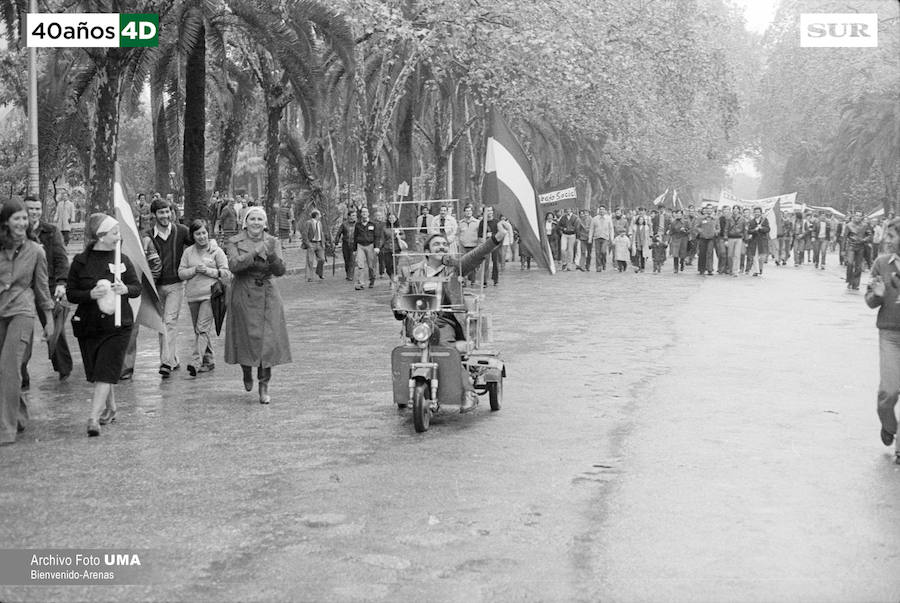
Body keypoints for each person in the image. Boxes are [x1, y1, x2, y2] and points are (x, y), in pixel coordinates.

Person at [392, 228, 507, 413]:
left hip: (444, 321)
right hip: (419, 321)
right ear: (427, 250)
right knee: (409, 349)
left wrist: (495, 239)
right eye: (437, 244)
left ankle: (468, 393)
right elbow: (400, 293)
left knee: (445, 348)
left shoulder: (455, 268)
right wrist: (398, 307)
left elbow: (476, 255)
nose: (442, 247)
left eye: (445, 245)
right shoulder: (412, 272)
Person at [66, 213, 141, 437]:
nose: (119, 236)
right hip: (89, 325)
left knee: (106, 368)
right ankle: (111, 407)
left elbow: (136, 287)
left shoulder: (123, 259)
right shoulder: (81, 261)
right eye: (114, 232)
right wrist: (90, 293)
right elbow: (71, 293)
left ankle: (92, 418)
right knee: (99, 370)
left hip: (118, 325)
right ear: (101, 235)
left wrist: (125, 289)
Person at [224, 207, 292, 404]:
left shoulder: (273, 241)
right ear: (245, 222)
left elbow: (280, 271)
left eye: (260, 219)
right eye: (252, 218)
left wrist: (271, 256)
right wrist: (254, 251)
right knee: (246, 339)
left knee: (267, 342)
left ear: (265, 222)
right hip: (243, 293)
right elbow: (234, 266)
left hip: (268, 294)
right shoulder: (234, 241)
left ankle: (264, 385)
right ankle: (246, 371)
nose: (256, 222)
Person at [0, 200, 54, 445]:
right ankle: (19, 414)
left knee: (9, 367)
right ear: (6, 223)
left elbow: (42, 288)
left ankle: (6, 429)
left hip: (23, 311)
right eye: (17, 219)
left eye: (25, 218)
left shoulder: (36, 251)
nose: (23, 222)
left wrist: (49, 320)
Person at [21, 195, 71, 382]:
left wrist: (61, 283)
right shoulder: (15, 232)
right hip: (22, 288)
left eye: (37, 208)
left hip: (48, 286)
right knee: (22, 332)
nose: (34, 212)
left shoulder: (51, 231)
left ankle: (64, 369)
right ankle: (21, 375)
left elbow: (61, 259)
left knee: (54, 329)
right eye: (30, 208)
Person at [864, 218, 900, 464]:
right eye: (887, 235)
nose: (886, 240)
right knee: (889, 391)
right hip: (890, 334)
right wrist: (876, 296)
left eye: (892, 235)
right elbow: (870, 301)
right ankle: (888, 424)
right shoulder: (881, 263)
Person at [178, 219, 230, 377]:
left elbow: (227, 273)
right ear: (193, 236)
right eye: (198, 234)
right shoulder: (188, 252)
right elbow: (181, 273)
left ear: (208, 233)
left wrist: (208, 271)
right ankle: (209, 360)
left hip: (211, 296)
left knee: (202, 328)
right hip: (193, 296)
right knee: (200, 330)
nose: (201, 236)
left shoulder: (216, 251)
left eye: (204, 233)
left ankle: (195, 362)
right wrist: (195, 270)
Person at [149, 197, 191, 377]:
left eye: (168, 212)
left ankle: (165, 363)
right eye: (161, 212)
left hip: (176, 284)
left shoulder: (182, 231)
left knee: (170, 322)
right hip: (157, 286)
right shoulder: (148, 236)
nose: (165, 216)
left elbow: (198, 243)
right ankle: (171, 359)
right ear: (154, 215)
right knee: (162, 324)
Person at [119, 231, 162, 380]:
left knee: (131, 331)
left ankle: (126, 368)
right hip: (112, 295)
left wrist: (148, 284)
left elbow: (155, 264)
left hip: (135, 293)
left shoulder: (143, 242)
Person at [845, 209, 873, 290]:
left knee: (858, 266)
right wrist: (843, 250)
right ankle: (850, 281)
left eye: (860, 216)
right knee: (850, 264)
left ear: (862, 217)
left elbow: (870, 235)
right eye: (856, 215)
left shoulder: (865, 225)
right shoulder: (848, 225)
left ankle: (856, 284)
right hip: (851, 246)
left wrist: (863, 240)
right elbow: (844, 237)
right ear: (854, 216)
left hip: (861, 247)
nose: (858, 217)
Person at [353, 207, 378, 290]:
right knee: (360, 265)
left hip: (370, 245)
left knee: (371, 265)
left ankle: (372, 280)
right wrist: (354, 249)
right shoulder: (357, 224)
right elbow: (355, 236)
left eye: (365, 212)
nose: (364, 213)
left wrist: (376, 247)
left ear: (368, 213)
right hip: (360, 245)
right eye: (362, 212)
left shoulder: (373, 224)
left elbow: (376, 236)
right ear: (361, 214)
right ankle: (361, 283)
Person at [379, 212, 406, 282]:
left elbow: (404, 236)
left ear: (396, 218)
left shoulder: (399, 227)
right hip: (387, 249)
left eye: (393, 218)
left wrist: (399, 236)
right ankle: (392, 278)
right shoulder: (385, 228)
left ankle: (394, 281)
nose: (391, 219)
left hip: (396, 249)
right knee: (388, 266)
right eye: (390, 218)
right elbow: (382, 239)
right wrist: (379, 247)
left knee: (394, 265)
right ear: (388, 219)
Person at [333, 208, 358, 282]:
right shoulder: (344, 224)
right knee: (347, 260)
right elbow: (338, 233)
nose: (354, 217)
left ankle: (350, 275)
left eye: (355, 215)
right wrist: (336, 242)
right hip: (346, 245)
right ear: (349, 216)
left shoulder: (357, 224)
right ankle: (348, 273)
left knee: (352, 260)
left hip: (354, 244)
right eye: (353, 215)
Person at [303, 209, 327, 282]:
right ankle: (310, 277)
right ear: (316, 215)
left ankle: (319, 272)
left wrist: (323, 243)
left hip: (319, 243)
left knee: (322, 259)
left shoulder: (319, 223)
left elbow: (321, 233)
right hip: (312, 243)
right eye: (319, 214)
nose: (320, 216)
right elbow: (305, 234)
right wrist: (308, 244)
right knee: (310, 261)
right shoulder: (309, 223)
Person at [745, 207, 770, 277]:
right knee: (754, 256)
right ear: (753, 213)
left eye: (758, 212)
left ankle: (760, 268)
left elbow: (768, 229)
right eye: (755, 212)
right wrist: (755, 230)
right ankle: (756, 271)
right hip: (754, 241)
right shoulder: (751, 221)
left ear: (761, 213)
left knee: (762, 257)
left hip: (762, 241)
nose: (757, 213)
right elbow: (749, 231)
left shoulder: (764, 220)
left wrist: (761, 228)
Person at [589, 206, 614, 272]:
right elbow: (591, 229)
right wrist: (590, 238)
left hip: (605, 237)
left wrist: (612, 238)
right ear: (598, 210)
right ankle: (598, 266)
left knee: (603, 251)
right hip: (597, 237)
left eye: (603, 209)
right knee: (597, 253)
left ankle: (604, 263)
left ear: (605, 210)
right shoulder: (595, 219)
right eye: (600, 209)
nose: (601, 211)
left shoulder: (608, 218)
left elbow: (611, 229)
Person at [695, 205, 717, 276]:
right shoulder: (701, 218)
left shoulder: (715, 218)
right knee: (702, 254)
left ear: (713, 210)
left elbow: (718, 228)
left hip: (711, 238)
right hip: (703, 238)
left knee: (710, 253)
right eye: (708, 209)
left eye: (711, 209)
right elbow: (696, 227)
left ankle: (710, 269)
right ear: (706, 210)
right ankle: (701, 269)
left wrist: (715, 232)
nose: (709, 210)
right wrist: (701, 231)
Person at [667, 209, 690, 273]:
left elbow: (689, 230)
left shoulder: (686, 222)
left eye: (680, 213)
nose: (678, 215)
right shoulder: (673, 223)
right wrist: (668, 240)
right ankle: (675, 268)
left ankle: (682, 263)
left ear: (682, 215)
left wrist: (685, 230)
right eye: (677, 214)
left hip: (683, 239)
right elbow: (671, 232)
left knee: (682, 253)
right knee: (675, 253)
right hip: (676, 239)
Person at [557, 207, 578, 271]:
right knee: (563, 249)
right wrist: (563, 229)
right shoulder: (563, 217)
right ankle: (564, 263)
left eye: (569, 209)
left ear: (572, 210)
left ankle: (569, 265)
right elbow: (559, 226)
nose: (568, 210)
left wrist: (573, 230)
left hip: (572, 235)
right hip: (564, 235)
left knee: (570, 250)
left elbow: (577, 226)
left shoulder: (575, 217)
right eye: (567, 209)